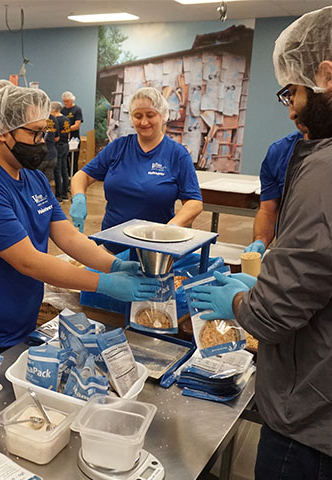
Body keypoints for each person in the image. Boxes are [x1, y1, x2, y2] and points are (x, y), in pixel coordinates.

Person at [191, 7, 332, 479]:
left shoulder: (324, 170)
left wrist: (236, 300)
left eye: (291, 91)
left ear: (325, 76)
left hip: (309, 425)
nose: (290, 108)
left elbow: (277, 311)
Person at [0, 85, 161, 361]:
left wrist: (113, 265)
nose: (41, 141)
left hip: (20, 319)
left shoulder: (31, 177)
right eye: (34, 133)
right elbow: (29, 261)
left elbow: (67, 235)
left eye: (42, 132)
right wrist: (104, 283)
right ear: (1, 132)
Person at [70, 87, 203, 251]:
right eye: (138, 116)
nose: (144, 122)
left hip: (154, 251)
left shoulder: (177, 154)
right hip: (111, 246)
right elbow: (82, 175)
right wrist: (78, 198)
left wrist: (171, 228)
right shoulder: (119, 147)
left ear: (162, 115)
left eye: (150, 115)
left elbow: (194, 202)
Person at [244, 119, 308, 256]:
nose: (292, 114)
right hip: (290, 251)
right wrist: (260, 240)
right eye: (289, 102)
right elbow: (268, 211)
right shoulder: (279, 152)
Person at [51, 101, 70, 202]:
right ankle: (65, 194)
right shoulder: (66, 118)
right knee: (64, 169)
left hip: (58, 146)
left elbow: (55, 136)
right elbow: (68, 134)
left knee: (57, 171)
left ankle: (58, 195)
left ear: (53, 109)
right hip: (66, 145)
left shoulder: (56, 120)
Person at [61, 90, 82, 175]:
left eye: (67, 101)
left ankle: (74, 179)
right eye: (64, 101)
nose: (66, 103)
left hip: (74, 139)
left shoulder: (77, 109)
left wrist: (66, 129)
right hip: (64, 139)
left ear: (72, 100)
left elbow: (77, 125)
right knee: (64, 161)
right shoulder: (62, 110)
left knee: (74, 161)